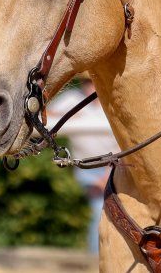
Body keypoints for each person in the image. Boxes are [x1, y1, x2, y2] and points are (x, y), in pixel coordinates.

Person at [47, 77, 118, 253]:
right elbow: (44, 116)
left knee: (104, 212)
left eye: (93, 81)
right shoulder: (73, 99)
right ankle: (97, 258)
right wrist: (68, 117)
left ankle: (101, 256)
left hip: (114, 166)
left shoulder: (111, 100)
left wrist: (109, 174)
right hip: (86, 168)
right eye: (87, 82)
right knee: (99, 212)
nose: (90, 86)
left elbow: (122, 141)